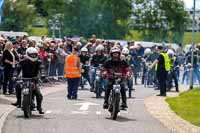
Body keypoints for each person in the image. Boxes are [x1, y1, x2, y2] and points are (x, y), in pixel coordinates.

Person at [12, 47, 44, 114]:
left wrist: (42, 75)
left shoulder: (38, 62)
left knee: (39, 94)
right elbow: (17, 69)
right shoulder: (22, 61)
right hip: (24, 79)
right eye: (31, 55)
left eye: (34, 55)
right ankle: (18, 101)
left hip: (34, 80)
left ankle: (39, 107)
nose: (33, 56)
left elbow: (42, 69)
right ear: (28, 54)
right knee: (17, 85)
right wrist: (15, 76)